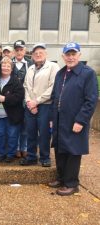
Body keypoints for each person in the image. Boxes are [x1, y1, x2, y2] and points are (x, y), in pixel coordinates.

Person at [48, 42, 98, 196]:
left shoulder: (87, 73)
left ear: (79, 55)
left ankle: (71, 183)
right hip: (59, 119)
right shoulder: (60, 73)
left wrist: (81, 120)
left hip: (75, 120)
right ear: (63, 56)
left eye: (73, 54)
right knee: (60, 149)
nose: (70, 57)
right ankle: (62, 178)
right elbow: (54, 96)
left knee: (73, 151)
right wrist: (52, 117)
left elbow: (91, 100)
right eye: (67, 54)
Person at [21, 43, 60, 167]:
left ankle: (45, 157)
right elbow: (26, 87)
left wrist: (36, 102)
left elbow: (52, 88)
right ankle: (31, 156)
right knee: (30, 132)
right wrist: (29, 102)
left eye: (40, 52)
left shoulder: (53, 67)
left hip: (45, 106)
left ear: (46, 54)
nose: (38, 55)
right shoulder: (31, 68)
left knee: (44, 133)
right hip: (30, 107)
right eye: (35, 53)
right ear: (32, 55)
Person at [0, 56, 25, 163]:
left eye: (8, 66)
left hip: (12, 115)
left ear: (11, 69)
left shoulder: (16, 81)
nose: (6, 68)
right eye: (3, 65)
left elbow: (19, 96)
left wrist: (5, 98)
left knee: (12, 135)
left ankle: (10, 154)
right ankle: (1, 154)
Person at [12, 40, 33, 158]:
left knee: (26, 125)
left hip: (27, 98)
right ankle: (16, 147)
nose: (19, 52)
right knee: (15, 124)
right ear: (14, 51)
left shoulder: (31, 63)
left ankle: (24, 148)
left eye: (21, 50)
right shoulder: (9, 63)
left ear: (24, 50)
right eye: (17, 50)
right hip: (14, 99)